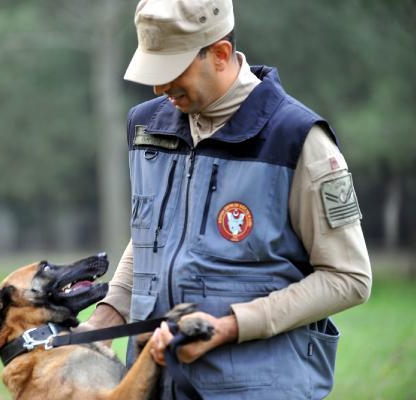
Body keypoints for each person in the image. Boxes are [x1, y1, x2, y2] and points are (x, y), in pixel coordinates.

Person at [83, 0, 372, 398]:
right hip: (151, 383)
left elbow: (349, 278)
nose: (158, 87)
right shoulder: (145, 125)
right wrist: (104, 321)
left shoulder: (299, 139)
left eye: (171, 71)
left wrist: (233, 325)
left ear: (219, 54)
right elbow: (151, 237)